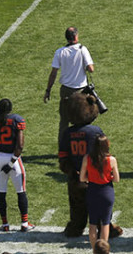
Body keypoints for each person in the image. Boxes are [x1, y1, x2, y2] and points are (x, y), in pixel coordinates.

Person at [58, 92, 104, 238]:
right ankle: (104, 228)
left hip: (75, 178)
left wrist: (72, 171)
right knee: (97, 205)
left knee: (77, 206)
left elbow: (63, 158)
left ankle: (75, 228)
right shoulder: (95, 131)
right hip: (94, 177)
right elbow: (103, 156)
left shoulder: (67, 133)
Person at [44, 25, 95, 135]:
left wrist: (48, 90)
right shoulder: (82, 49)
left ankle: (62, 149)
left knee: (64, 121)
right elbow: (91, 69)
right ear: (76, 36)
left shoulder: (60, 52)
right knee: (83, 119)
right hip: (82, 91)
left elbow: (53, 73)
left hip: (66, 90)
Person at [81, 134, 119, 252]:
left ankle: (95, 250)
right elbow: (117, 179)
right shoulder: (111, 160)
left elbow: (82, 178)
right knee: (105, 223)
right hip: (106, 192)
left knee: (92, 223)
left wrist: (91, 176)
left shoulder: (87, 158)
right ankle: (103, 251)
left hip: (92, 191)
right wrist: (109, 176)